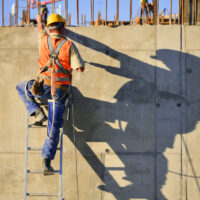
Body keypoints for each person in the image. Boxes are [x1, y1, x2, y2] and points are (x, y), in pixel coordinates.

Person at [16, 13, 85, 175]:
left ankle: (37, 112)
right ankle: (46, 162)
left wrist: (40, 20)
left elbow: (40, 29)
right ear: (62, 27)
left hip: (42, 89)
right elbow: (80, 68)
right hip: (60, 92)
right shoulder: (68, 45)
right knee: (54, 127)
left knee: (21, 87)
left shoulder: (43, 39)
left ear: (50, 27)